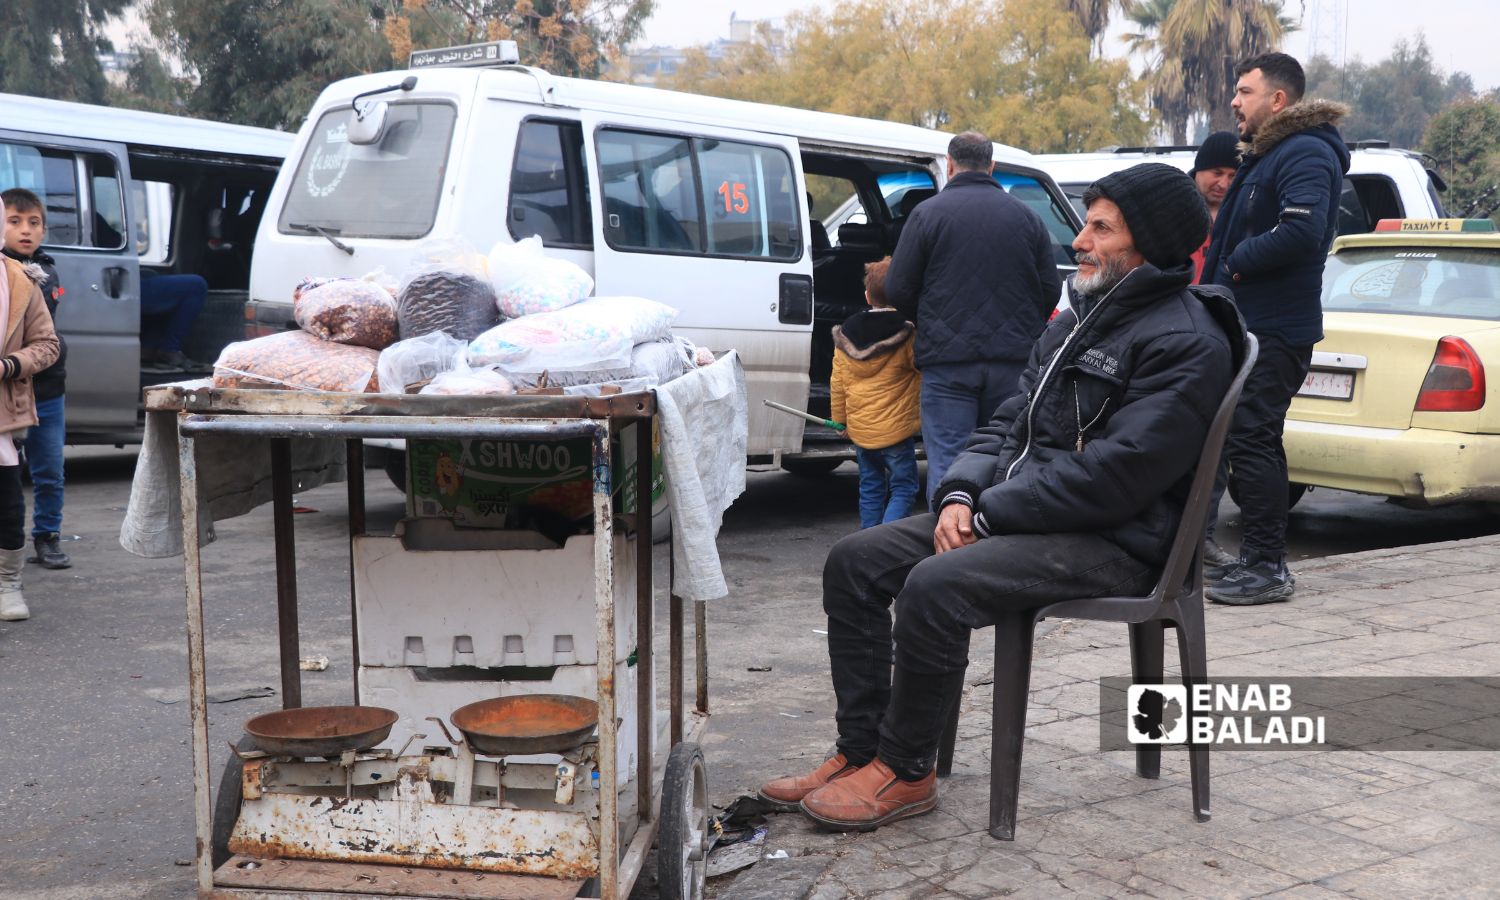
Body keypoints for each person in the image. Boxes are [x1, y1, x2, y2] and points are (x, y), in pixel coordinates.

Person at [758, 164, 1243, 831]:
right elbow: (1007, 423)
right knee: (855, 561)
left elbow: (1116, 476)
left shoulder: (1185, 339)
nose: (1079, 241)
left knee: (934, 584)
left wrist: (988, 515)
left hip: (1120, 541)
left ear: (1150, 244)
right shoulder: (1085, 317)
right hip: (1031, 516)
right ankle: (861, 750)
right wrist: (960, 494)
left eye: (1101, 228)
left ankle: (905, 769)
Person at [1200, 52, 1349, 606]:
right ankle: (1255, 562)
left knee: (1253, 440)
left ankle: (1266, 568)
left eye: (1244, 91)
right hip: (1247, 324)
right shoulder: (1269, 154)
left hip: (1276, 329)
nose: (1234, 102)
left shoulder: (1306, 151)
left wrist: (1235, 261)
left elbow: (1302, 235)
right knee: (1243, 439)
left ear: (1278, 99)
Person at [884, 131, 1061, 507]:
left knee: (949, 463)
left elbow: (898, 288)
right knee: (1002, 459)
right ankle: (993, 551)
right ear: (992, 166)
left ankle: (945, 555)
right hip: (1013, 363)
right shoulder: (1027, 218)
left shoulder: (926, 214)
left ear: (949, 165)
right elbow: (1049, 288)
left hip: (947, 366)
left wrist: (932, 321)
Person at [2, 189, 72, 569]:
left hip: (46, 386)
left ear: (44, 230)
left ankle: (47, 537)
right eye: (14, 221)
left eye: (34, 223)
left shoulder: (44, 272)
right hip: (7, 390)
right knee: (8, 470)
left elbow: (43, 338)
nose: (25, 230)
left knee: (49, 469)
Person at [0, 227, 62, 621]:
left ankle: (7, 584)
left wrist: (9, 366)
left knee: (7, 504)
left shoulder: (20, 279)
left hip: (3, 413)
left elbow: (48, 344)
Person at [830, 258, 921, 528]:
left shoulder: (845, 335)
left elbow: (837, 382)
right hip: (896, 432)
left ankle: (868, 543)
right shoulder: (906, 333)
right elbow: (921, 370)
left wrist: (841, 421)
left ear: (867, 296)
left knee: (870, 488)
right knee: (903, 487)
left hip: (861, 432)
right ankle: (887, 541)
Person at [1188, 131, 1240, 283]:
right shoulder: (1171, 206)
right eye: (1217, 173)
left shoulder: (1246, 211)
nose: (1224, 184)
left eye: (1232, 176)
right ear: (1199, 169)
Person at [140, 270, 210, 372]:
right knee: (197, 285)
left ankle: (148, 349)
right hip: (120, 286)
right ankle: (169, 350)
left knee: (150, 274)